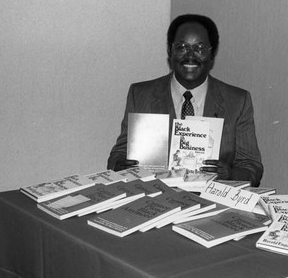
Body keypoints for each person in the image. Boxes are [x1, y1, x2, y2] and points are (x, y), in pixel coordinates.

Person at [107, 14, 263, 186]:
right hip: (154, 201)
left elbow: (252, 167)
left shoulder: (237, 101)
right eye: (182, 47)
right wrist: (120, 165)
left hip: (213, 204)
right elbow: (119, 154)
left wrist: (230, 174)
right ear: (170, 51)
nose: (190, 55)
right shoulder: (140, 94)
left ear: (212, 54)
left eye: (200, 48)